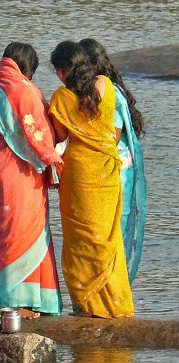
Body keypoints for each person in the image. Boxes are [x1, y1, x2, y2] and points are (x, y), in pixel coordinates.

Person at [0, 42, 64, 318]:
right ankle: (22, 303)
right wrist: (54, 158)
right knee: (23, 234)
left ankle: (10, 301)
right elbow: (41, 136)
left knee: (1, 237)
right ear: (27, 68)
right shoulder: (26, 90)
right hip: (20, 173)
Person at [48, 41, 134, 318]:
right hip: (108, 171)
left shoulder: (61, 96)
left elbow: (60, 136)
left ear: (62, 71)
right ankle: (117, 305)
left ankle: (88, 305)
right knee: (108, 238)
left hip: (80, 173)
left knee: (81, 241)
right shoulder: (106, 85)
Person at [80, 38, 147, 284]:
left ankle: (112, 287)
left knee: (113, 225)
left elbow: (112, 136)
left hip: (117, 168)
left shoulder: (108, 92)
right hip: (112, 165)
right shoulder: (101, 89)